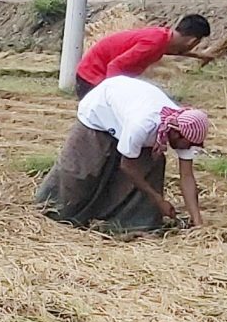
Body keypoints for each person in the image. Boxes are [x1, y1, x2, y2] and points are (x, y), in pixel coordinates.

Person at [37, 75, 210, 233]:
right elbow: (127, 166)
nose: (186, 148)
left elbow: (187, 177)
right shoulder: (143, 124)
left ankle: (127, 224)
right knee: (82, 171)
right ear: (175, 132)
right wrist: (158, 199)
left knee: (150, 167)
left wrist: (198, 223)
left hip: (129, 113)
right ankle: (53, 212)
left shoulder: (185, 131)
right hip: (101, 111)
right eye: (186, 144)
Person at [73, 14, 213, 96]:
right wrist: (114, 97)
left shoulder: (163, 37)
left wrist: (200, 56)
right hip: (92, 77)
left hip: (96, 74)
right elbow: (115, 66)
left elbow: (172, 50)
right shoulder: (154, 42)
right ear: (193, 40)